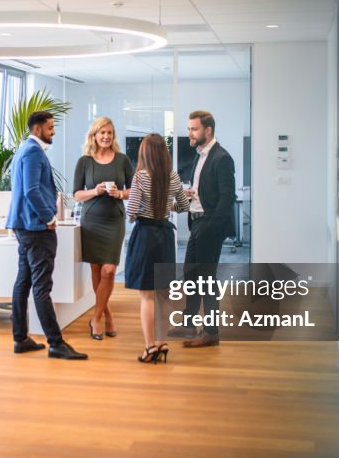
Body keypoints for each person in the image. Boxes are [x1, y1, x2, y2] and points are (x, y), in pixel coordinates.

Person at [5, 111, 87, 360]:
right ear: (37, 128)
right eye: (50, 127)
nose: (53, 131)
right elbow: (31, 190)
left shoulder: (24, 149)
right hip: (36, 228)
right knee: (41, 286)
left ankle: (21, 339)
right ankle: (56, 343)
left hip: (24, 227)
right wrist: (49, 218)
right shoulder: (32, 152)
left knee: (24, 282)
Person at [124, 134, 190, 363]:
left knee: (147, 297)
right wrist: (165, 205)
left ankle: (150, 346)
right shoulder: (173, 176)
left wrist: (137, 212)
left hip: (145, 236)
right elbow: (183, 206)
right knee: (162, 295)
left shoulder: (140, 176)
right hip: (164, 237)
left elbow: (132, 211)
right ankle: (162, 343)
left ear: (145, 153)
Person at [178, 110, 236, 348]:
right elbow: (204, 189)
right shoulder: (199, 156)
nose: (190, 133)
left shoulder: (222, 157)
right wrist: (192, 194)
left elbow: (227, 198)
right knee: (191, 274)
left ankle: (211, 331)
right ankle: (189, 322)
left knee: (206, 279)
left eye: (194, 129)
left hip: (210, 225)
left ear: (207, 130)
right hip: (197, 221)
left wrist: (211, 227)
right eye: (190, 128)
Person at [73, 116, 133, 340]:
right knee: (97, 271)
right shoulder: (85, 162)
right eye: (102, 133)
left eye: (110, 133)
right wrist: (94, 191)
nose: (106, 137)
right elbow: (77, 194)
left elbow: (134, 190)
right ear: (94, 136)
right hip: (92, 222)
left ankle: (95, 318)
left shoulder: (122, 160)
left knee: (109, 270)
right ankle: (107, 314)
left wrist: (120, 193)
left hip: (114, 220)